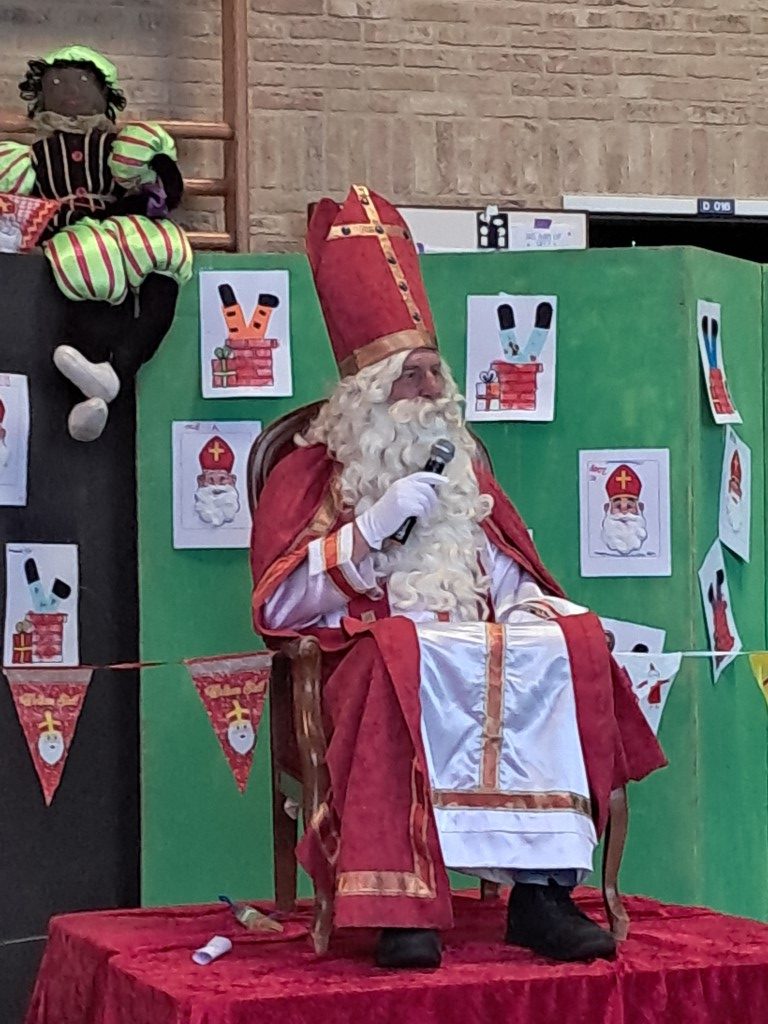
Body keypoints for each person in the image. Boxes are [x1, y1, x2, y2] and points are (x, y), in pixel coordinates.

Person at [251, 185, 666, 970]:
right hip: (372, 658)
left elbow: (506, 570)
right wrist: (367, 533)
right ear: (369, 394)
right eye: (412, 378)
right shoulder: (311, 474)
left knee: (566, 639)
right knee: (393, 659)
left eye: (435, 374)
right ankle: (401, 912)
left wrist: (534, 606)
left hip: (473, 651)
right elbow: (281, 603)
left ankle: (542, 897)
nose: (433, 393)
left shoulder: (463, 469)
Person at [0, 45, 193, 441]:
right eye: (56, 83)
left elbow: (164, 184)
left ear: (104, 92)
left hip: (123, 221)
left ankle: (116, 371)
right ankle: (96, 387)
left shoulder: (121, 147)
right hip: (70, 229)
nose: (70, 91)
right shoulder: (29, 158)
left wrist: (157, 180)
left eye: (83, 82)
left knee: (165, 256)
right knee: (89, 269)